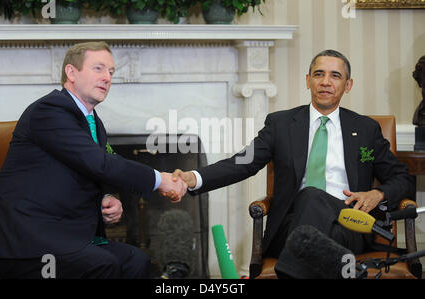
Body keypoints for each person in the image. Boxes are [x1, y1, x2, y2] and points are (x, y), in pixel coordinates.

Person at [172, 49, 415, 278]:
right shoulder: (281, 124)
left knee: (317, 211)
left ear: (347, 85)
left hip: (348, 223)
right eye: (318, 74)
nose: (326, 82)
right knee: (310, 197)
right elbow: (243, 163)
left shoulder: (364, 129)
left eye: (335, 76)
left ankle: (290, 273)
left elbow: (402, 178)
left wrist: (377, 193)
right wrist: (195, 178)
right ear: (308, 80)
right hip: (291, 224)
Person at [0, 41, 187, 279]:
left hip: (62, 237)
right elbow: (100, 163)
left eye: (111, 71)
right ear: (71, 72)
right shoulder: (49, 111)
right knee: (102, 264)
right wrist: (160, 180)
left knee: (136, 261)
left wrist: (105, 199)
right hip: (19, 244)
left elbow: (88, 169)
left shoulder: (93, 121)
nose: (107, 77)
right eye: (98, 68)